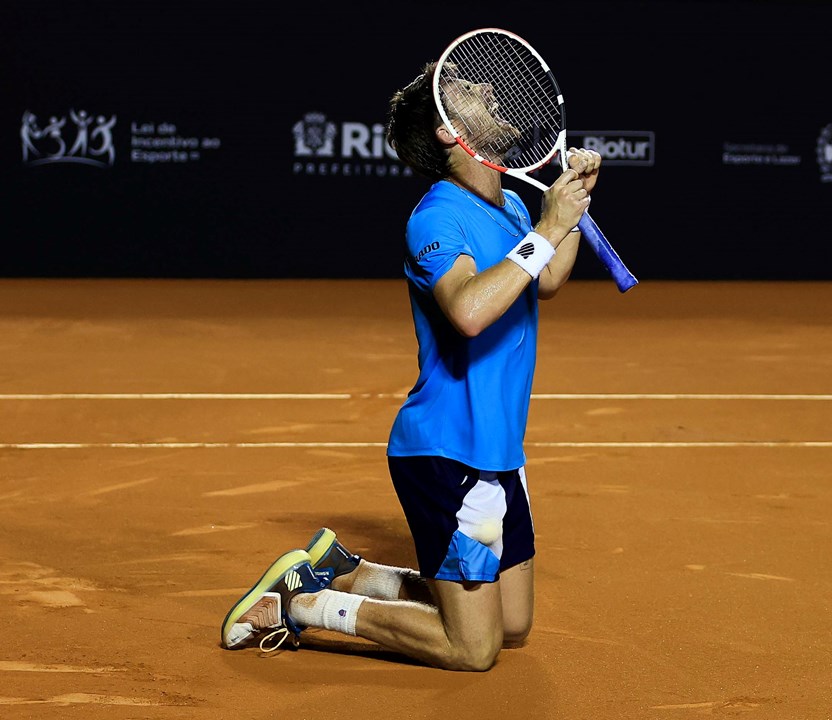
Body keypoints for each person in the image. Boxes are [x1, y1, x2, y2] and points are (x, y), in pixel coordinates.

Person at [221, 60, 602, 671]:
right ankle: (300, 608)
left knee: (512, 623)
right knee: (474, 650)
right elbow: (470, 312)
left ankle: (353, 572)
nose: (487, 91)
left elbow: (548, 276)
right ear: (451, 131)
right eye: (467, 89)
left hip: (501, 448)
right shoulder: (435, 217)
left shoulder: (505, 206)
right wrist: (549, 227)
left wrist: (571, 208)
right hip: (447, 452)